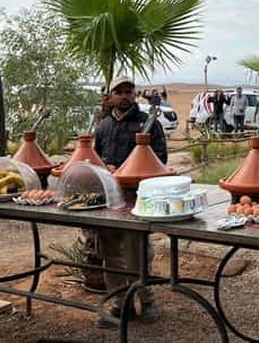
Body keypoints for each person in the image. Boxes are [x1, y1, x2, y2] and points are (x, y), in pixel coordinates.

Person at [92, 75, 166, 327]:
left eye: (129, 91)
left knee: (137, 250)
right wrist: (106, 168)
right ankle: (121, 303)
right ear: (110, 96)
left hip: (137, 198)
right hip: (109, 199)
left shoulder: (148, 123)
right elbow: (97, 158)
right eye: (119, 92)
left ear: (134, 94)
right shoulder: (103, 126)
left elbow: (161, 160)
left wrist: (128, 171)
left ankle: (147, 300)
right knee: (110, 250)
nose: (125, 96)